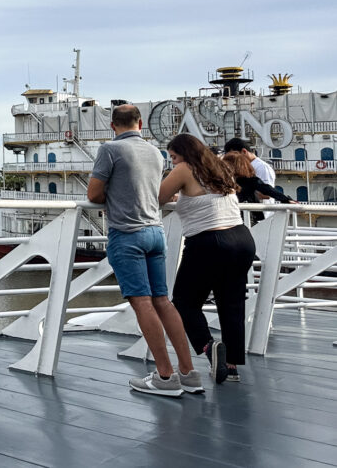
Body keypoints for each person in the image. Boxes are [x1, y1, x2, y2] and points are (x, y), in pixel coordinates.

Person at [88, 104, 199, 396]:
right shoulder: (156, 153)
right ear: (140, 125)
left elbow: (94, 194)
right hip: (155, 231)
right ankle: (188, 373)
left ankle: (164, 376)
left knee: (142, 303)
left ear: (113, 127)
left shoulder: (109, 150)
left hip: (127, 234)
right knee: (163, 300)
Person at [161, 133, 257, 384]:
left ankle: (208, 346)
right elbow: (202, 195)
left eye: (172, 156)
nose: (172, 162)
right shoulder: (220, 167)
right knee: (231, 303)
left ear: (183, 153)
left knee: (184, 302)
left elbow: (158, 197)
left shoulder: (183, 168)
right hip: (242, 239)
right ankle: (231, 365)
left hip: (209, 241)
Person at [223, 150, 292, 223]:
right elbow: (266, 188)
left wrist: (285, 199)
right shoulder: (250, 180)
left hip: (242, 217)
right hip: (250, 217)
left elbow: (266, 189)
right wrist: (285, 199)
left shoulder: (236, 181)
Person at [224, 137, 277, 209]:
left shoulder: (262, 167)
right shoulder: (243, 167)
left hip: (262, 214)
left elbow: (266, 194)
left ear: (244, 151)